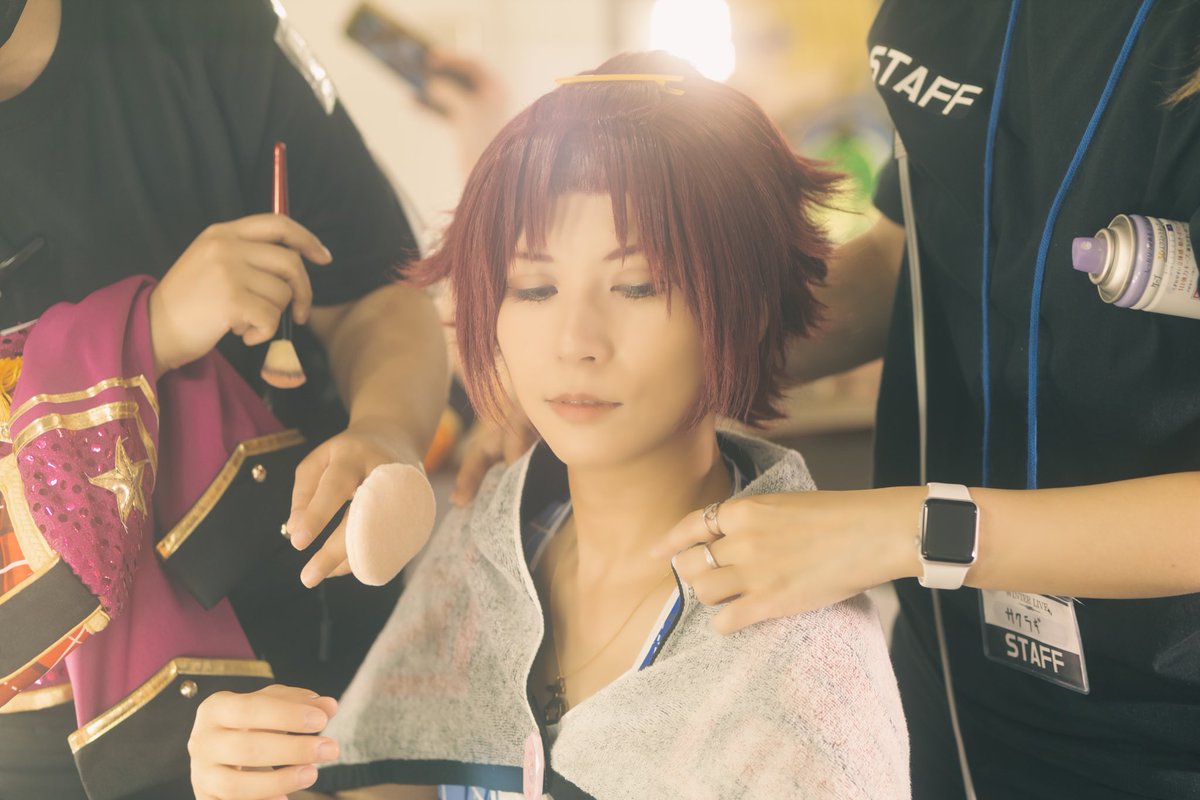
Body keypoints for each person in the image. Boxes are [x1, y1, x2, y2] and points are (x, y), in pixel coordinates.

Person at [187, 51, 911, 800]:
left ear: (748, 307)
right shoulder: (488, 546)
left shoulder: (804, 667)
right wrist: (254, 782)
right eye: (533, 288)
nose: (575, 342)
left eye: (637, 286)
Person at [646, 2, 1200, 798]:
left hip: (1165, 727)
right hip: (947, 685)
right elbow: (908, 251)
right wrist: (646, 362)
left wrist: (909, 531)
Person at [0, 0, 447, 796]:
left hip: (319, 643)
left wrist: (386, 428)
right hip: (47, 735)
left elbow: (378, 294)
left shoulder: (202, 27)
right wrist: (149, 331)